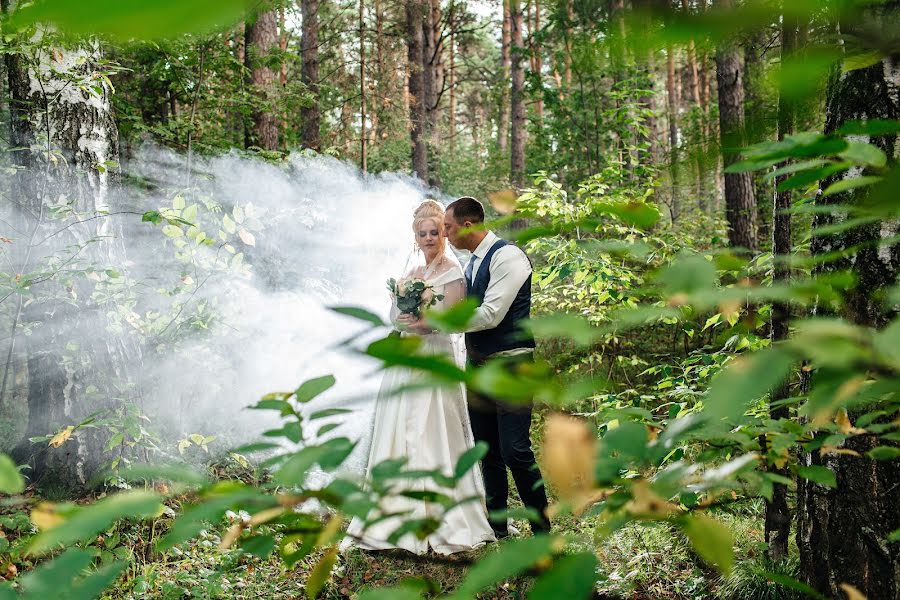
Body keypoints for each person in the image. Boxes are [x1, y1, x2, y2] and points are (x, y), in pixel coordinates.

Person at [343, 199, 496, 555]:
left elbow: (453, 322)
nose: (429, 238)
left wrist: (424, 323)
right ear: (415, 236)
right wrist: (404, 319)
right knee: (398, 427)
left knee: (433, 427)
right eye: (422, 233)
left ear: (444, 232)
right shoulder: (412, 273)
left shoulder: (453, 273)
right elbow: (395, 315)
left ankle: (442, 517)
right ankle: (395, 513)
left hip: (436, 357)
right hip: (407, 357)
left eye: (434, 232)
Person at [442, 196, 550, 539]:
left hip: (512, 368)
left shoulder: (508, 257)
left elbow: (491, 314)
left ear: (469, 225)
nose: (445, 234)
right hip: (477, 369)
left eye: (448, 227)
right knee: (487, 452)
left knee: (515, 451)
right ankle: (499, 531)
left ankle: (542, 533)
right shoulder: (470, 264)